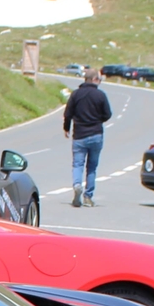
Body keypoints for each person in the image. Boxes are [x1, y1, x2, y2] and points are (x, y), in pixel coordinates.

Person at [63, 67, 113, 207]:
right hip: (96, 134)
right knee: (91, 167)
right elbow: (107, 114)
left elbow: (68, 114)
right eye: (99, 79)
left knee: (78, 164)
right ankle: (88, 196)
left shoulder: (76, 94)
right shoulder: (100, 95)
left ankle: (77, 185)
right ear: (94, 79)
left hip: (79, 135)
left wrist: (67, 128)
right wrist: (98, 120)